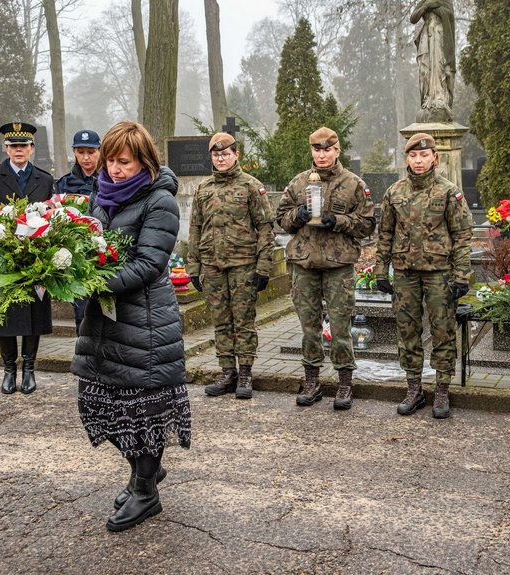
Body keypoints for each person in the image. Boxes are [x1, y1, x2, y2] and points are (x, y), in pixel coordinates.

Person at [71, 120, 190, 533]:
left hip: (144, 322)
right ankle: (145, 473)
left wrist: (90, 281)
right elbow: (90, 245)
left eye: (124, 162)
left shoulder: (160, 201)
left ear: (145, 162)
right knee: (101, 404)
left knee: (143, 413)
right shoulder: (100, 196)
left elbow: (148, 264)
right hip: (104, 321)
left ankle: (145, 492)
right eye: (110, 161)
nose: (115, 169)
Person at [275, 127, 376, 410]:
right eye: (317, 150)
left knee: (341, 327)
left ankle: (344, 384)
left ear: (337, 150)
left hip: (338, 265)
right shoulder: (299, 183)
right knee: (309, 328)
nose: (322, 155)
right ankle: (312, 381)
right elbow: (281, 218)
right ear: (312, 152)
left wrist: (339, 221)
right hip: (305, 264)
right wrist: (298, 215)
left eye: (327, 150)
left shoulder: (354, 184)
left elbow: (367, 224)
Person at [374, 133, 473, 419]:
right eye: (413, 156)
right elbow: (385, 234)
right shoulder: (395, 192)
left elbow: (462, 234)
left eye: (424, 155)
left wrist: (461, 275)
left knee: (442, 330)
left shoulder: (448, 192)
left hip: (439, 273)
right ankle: (414, 387)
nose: (419, 161)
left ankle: (442, 388)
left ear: (434, 158)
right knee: (407, 330)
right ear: (407, 158)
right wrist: (381, 270)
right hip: (405, 272)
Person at [0, 122, 54, 395]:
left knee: (33, 316)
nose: (19, 150)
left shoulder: (45, 179)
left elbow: (53, 220)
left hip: (34, 261)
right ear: (6, 148)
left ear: (32, 149)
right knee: (4, 317)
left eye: (24, 146)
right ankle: (8, 370)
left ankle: (29, 369)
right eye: (14, 146)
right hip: (1, 260)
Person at [187, 132, 275, 399]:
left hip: (243, 266)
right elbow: (195, 228)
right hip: (212, 266)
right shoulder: (204, 189)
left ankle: (246, 373)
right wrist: (193, 267)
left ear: (236, 155)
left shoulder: (251, 186)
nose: (221, 158)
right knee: (221, 322)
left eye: (225, 154)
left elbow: (264, 228)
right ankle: (227, 372)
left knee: (244, 322)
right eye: (216, 154)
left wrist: (264, 267)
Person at [54, 129, 101, 334]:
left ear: (99, 151)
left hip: (104, 253)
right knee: (81, 313)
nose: (85, 157)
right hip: (77, 256)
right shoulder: (64, 184)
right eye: (80, 152)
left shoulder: (110, 179)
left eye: (90, 152)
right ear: (74, 152)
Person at [410, 0, 456, 123]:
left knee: (439, 67)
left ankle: (439, 99)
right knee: (425, 69)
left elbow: (449, 16)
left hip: (440, 36)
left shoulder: (445, 1)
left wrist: (433, 6)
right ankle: (428, 98)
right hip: (426, 36)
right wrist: (426, 6)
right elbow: (413, 18)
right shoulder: (425, 2)